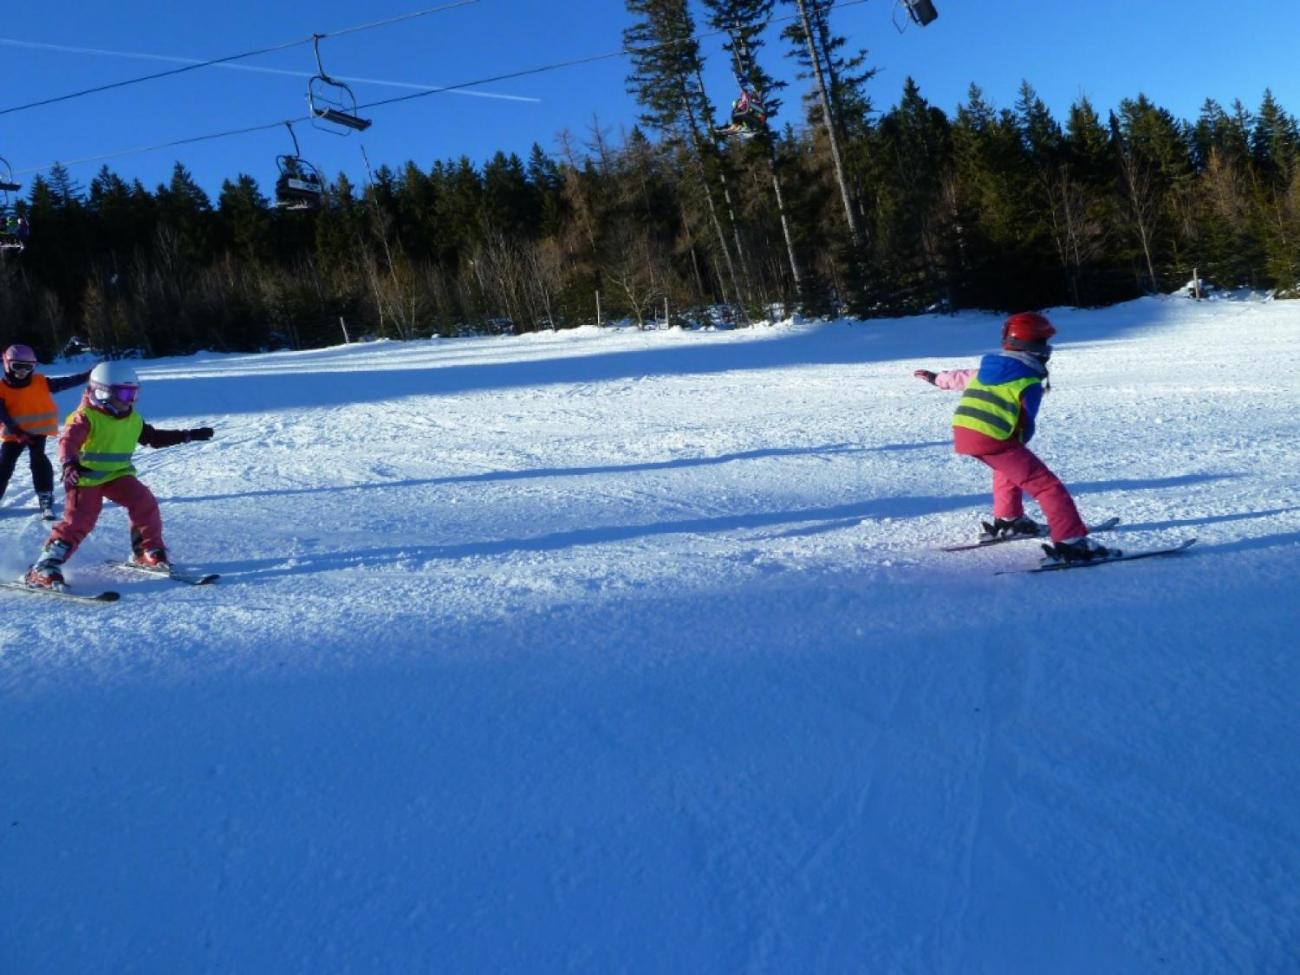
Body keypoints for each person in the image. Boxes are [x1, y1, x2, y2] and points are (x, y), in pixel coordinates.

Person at [913, 312, 1117, 563]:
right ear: (1038, 347)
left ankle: (1010, 520)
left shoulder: (991, 367)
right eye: (1044, 342)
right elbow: (1026, 423)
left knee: (1008, 469)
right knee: (1048, 487)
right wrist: (1020, 440)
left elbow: (960, 377)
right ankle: (1072, 543)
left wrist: (936, 378)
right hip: (991, 437)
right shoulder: (1028, 380)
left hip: (965, 431)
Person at [24, 361, 214, 589]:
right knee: (79, 521)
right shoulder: (85, 416)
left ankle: (147, 551)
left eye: (133, 394)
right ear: (102, 392)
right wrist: (70, 464)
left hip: (117, 475)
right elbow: (68, 441)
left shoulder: (132, 419)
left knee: (144, 502)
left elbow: (152, 438)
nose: (130, 400)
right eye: (124, 394)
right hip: (85, 478)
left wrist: (188, 435)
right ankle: (44, 566)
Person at [0, 344, 91, 519]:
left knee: (38, 461)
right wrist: (18, 432)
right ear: (7, 364)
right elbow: (2, 414)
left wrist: (86, 376)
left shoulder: (40, 382)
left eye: (28, 367)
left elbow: (65, 382)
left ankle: (45, 497)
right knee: (4, 466)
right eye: (17, 366)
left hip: (36, 431)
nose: (22, 371)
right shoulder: (2, 388)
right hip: (13, 434)